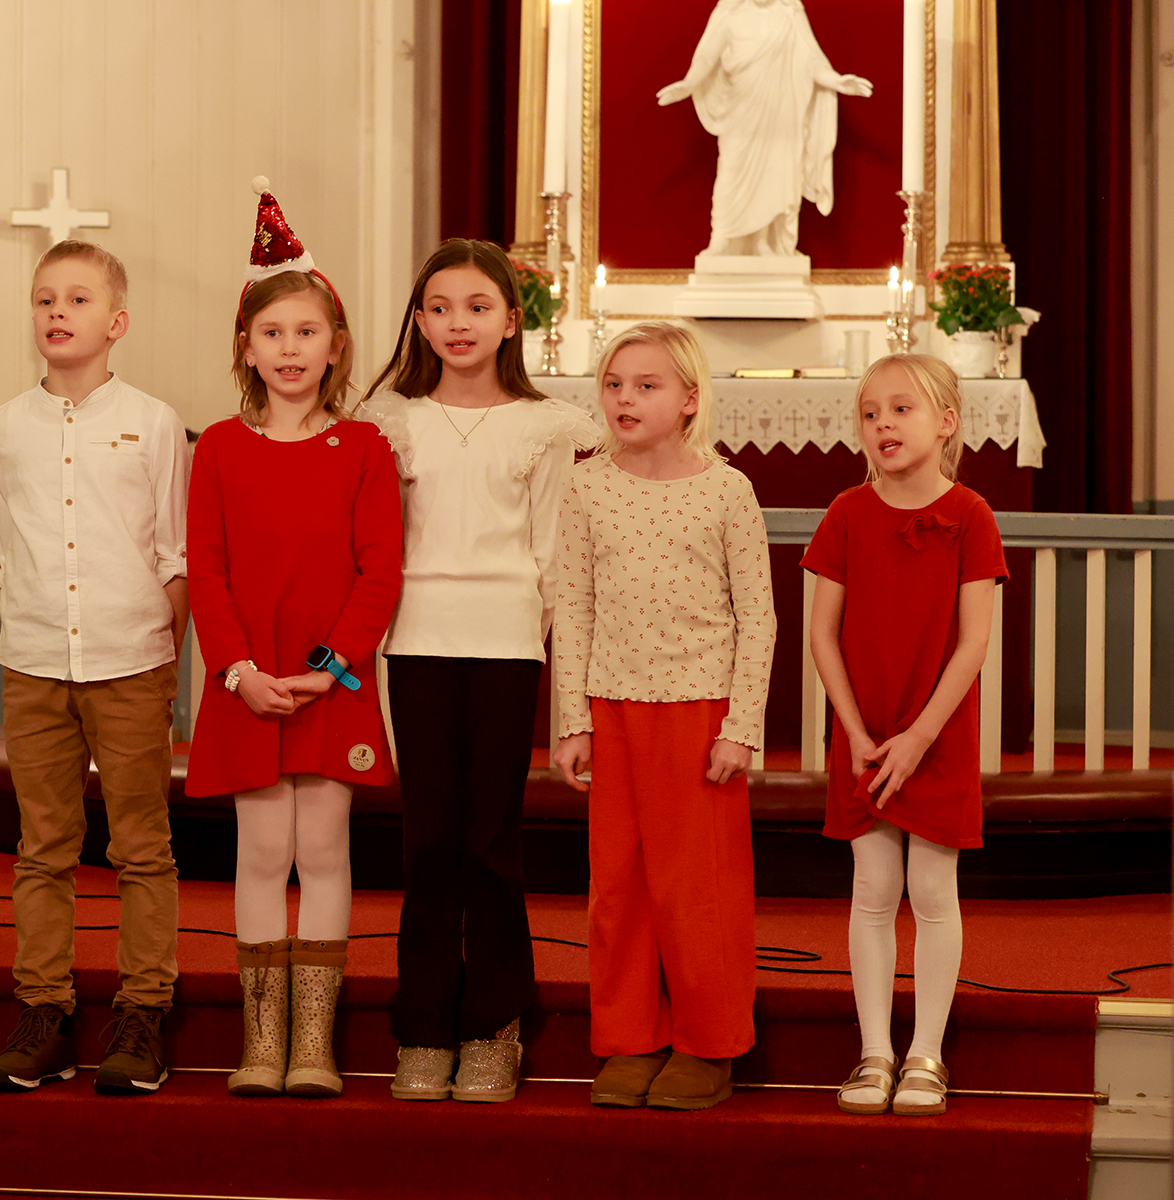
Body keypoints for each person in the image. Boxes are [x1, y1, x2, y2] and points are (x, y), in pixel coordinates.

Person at [359, 240, 599, 1103]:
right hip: (412, 641)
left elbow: (553, 559)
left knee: (490, 843)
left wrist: (566, 688)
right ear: (418, 319)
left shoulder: (546, 426)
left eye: (477, 307)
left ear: (510, 320)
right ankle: (424, 1025)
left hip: (504, 644)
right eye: (440, 307)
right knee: (427, 843)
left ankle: (495, 1024)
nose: (457, 323)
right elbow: (373, 547)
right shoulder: (389, 417)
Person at [187, 181, 402, 1099]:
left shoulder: (363, 450)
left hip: (329, 686)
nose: (289, 349)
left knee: (324, 848)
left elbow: (377, 574)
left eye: (306, 333)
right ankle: (260, 1042)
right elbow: (209, 572)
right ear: (247, 346)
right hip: (245, 683)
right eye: (272, 334)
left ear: (334, 346)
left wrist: (324, 673)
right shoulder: (221, 451)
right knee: (259, 853)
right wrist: (240, 671)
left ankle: (312, 1042)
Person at [0, 239, 190, 1096]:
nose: (56, 313)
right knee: (43, 847)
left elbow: (173, 554)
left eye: (75, 299)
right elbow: (5, 542)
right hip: (33, 659)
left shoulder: (154, 420)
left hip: (131, 658)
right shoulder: (4, 426)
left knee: (141, 844)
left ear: (117, 321)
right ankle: (46, 1012)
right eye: (43, 299)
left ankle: (143, 1010)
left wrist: (157, 651)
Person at [551, 321, 774, 1111]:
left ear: (688, 400)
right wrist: (570, 720)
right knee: (617, 886)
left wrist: (740, 725)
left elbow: (759, 617)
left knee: (696, 887)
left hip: (699, 710)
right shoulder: (586, 484)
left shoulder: (726, 490)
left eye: (646, 386)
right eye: (614, 384)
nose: (625, 399)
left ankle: (710, 1043)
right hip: (612, 705)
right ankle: (628, 1037)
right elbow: (570, 606)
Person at [803, 354, 1005, 1118]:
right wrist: (857, 734)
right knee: (874, 888)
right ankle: (874, 1050)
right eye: (869, 413)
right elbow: (823, 636)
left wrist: (920, 736)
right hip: (866, 733)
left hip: (936, 734)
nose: (882, 424)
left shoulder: (971, 514)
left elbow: (973, 643)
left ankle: (926, 1052)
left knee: (931, 888)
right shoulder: (846, 513)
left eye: (901, 409)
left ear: (946, 422)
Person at [656, 0, 872, 257]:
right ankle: (722, 236)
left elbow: (811, 61)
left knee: (774, 172)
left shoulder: (789, 13)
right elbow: (706, 55)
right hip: (741, 112)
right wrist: (689, 83)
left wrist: (837, 81)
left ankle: (761, 241)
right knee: (732, 169)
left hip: (780, 115)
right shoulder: (729, 13)